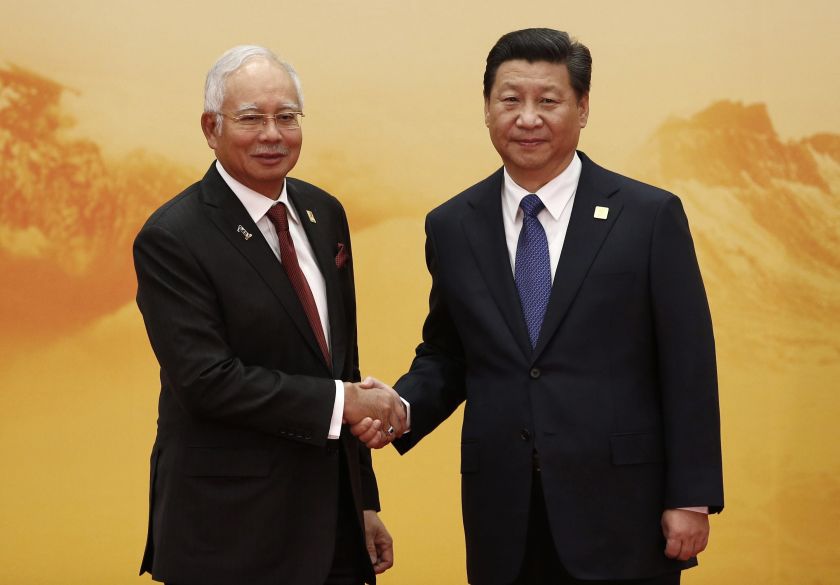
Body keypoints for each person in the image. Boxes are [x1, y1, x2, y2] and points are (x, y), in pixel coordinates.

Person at [354, 28, 723, 585]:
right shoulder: (452, 225)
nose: (527, 118)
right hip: (504, 514)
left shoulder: (648, 216)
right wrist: (402, 406)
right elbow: (450, 352)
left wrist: (691, 497)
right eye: (510, 100)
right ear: (487, 108)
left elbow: (687, 362)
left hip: (624, 510)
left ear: (583, 108)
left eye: (548, 100)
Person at [133, 45, 405, 585]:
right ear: (211, 128)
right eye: (251, 118)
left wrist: (364, 502)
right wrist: (344, 402)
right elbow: (207, 382)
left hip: (333, 529)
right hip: (231, 533)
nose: (272, 134)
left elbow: (342, 365)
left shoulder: (324, 213)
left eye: (287, 117)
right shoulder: (172, 236)